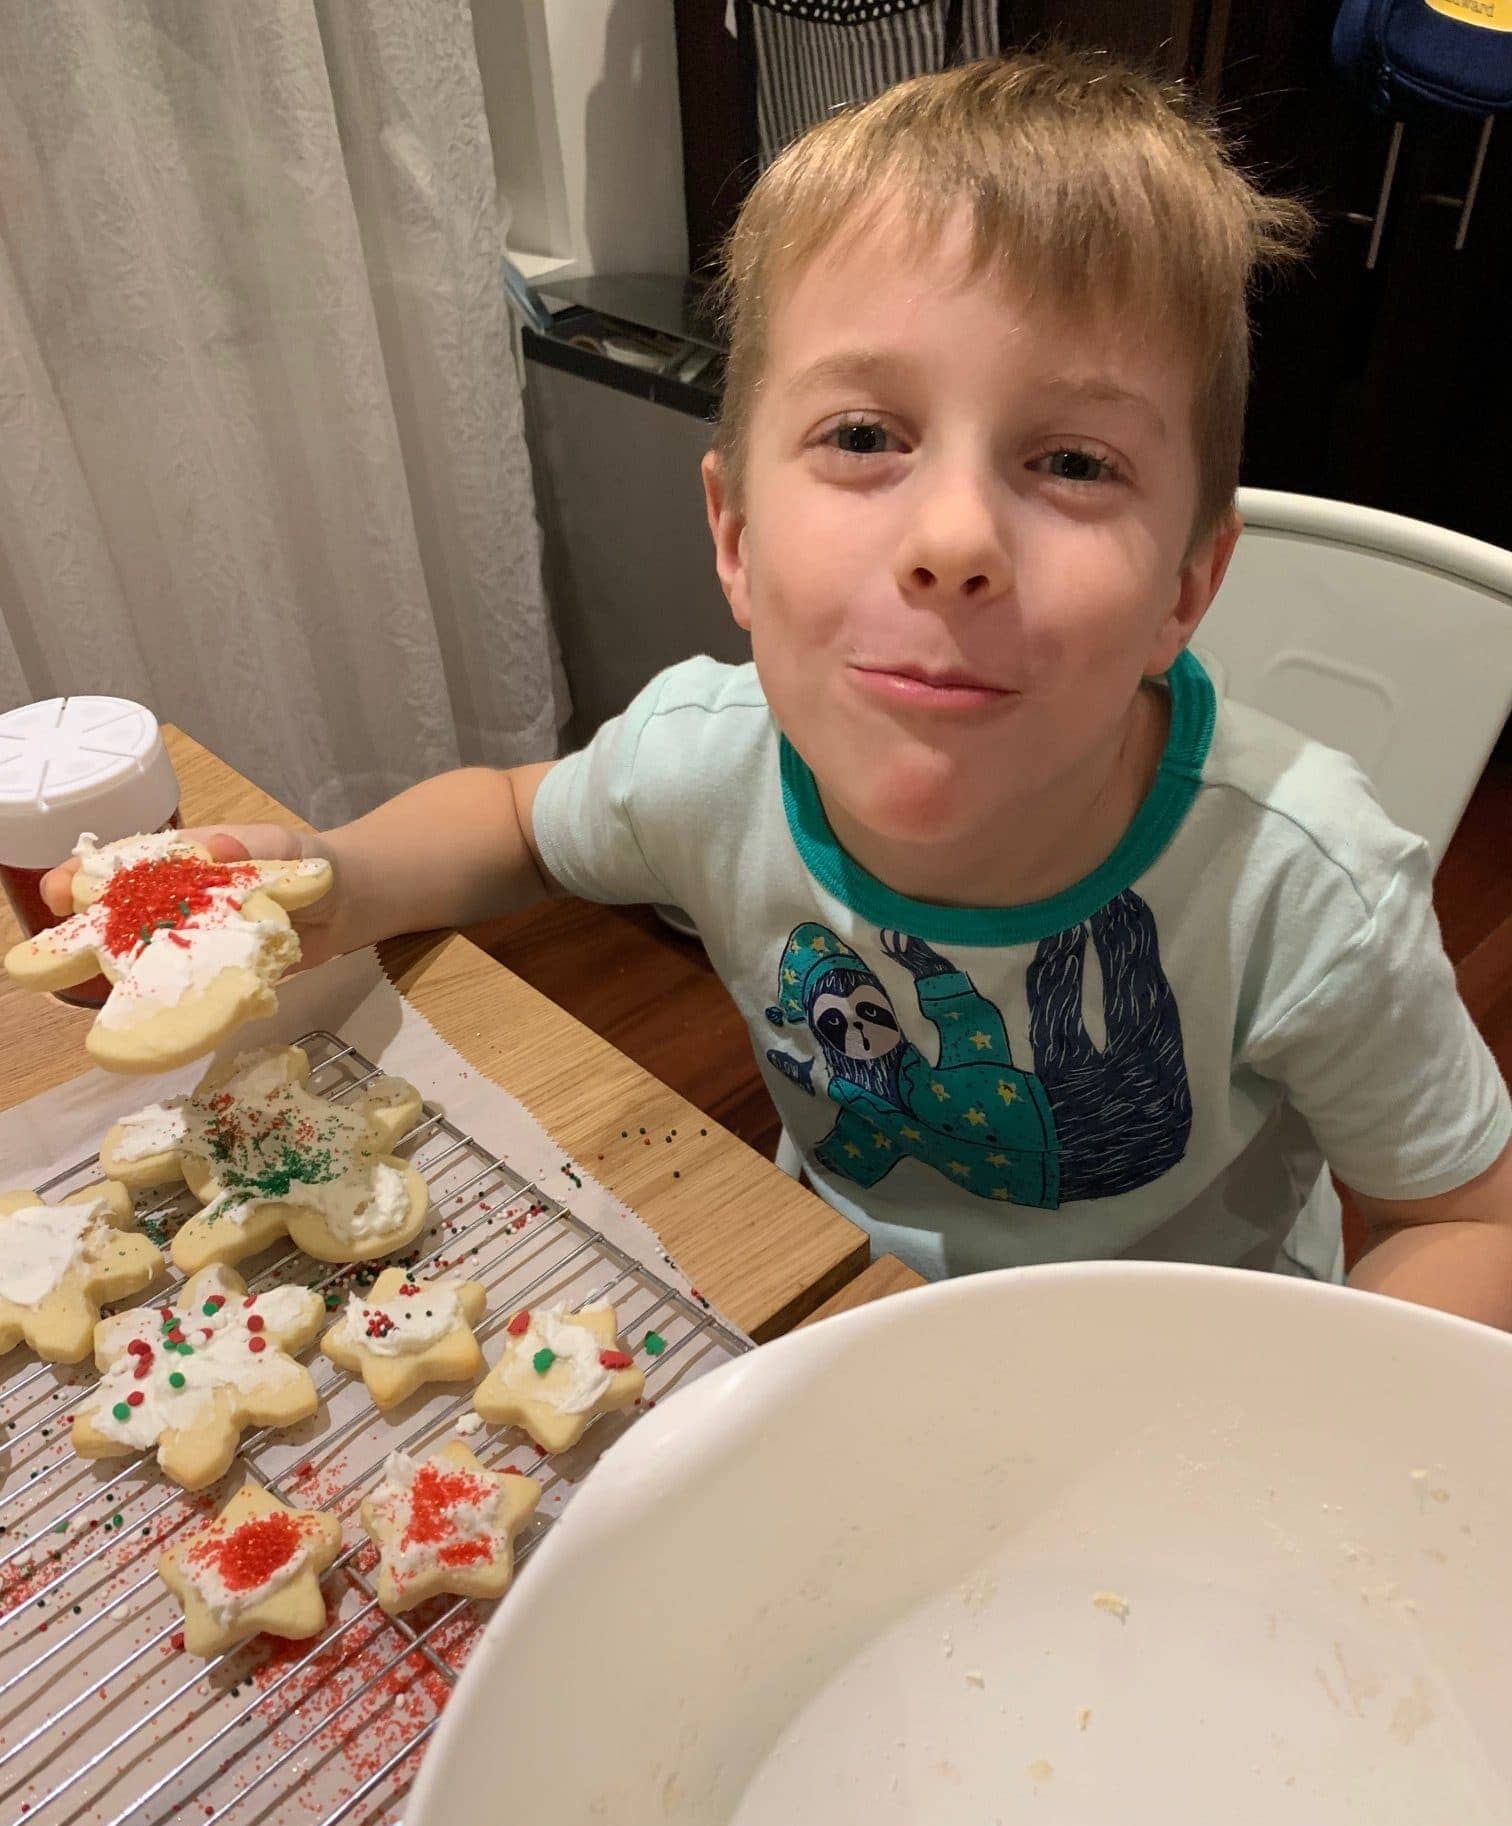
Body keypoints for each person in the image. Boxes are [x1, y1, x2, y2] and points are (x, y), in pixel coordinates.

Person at [40, 51, 1512, 1323]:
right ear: (735, 538)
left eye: (1073, 461)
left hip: (1175, 1384)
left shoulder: (1303, 888)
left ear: (1185, 591)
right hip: (820, 1298)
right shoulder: (709, 761)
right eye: (867, 435)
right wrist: (338, 880)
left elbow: (1469, 1220)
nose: (952, 542)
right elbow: (508, 816)